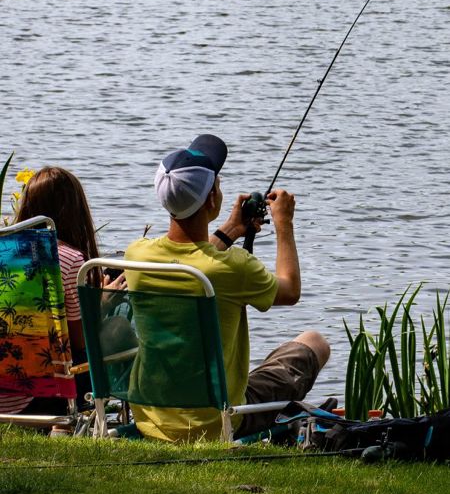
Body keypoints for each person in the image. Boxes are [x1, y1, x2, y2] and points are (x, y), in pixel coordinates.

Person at [125, 134, 330, 442]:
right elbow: (290, 290)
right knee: (314, 342)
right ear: (211, 200)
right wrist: (284, 223)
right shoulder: (233, 267)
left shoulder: (138, 256)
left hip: (151, 416)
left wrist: (231, 229)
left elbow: (195, 261)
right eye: (217, 183)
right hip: (216, 420)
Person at [0, 166, 126, 415]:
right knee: (118, 329)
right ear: (75, 211)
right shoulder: (68, 260)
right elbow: (79, 342)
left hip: (6, 386)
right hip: (41, 394)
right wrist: (102, 303)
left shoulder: (6, 252)